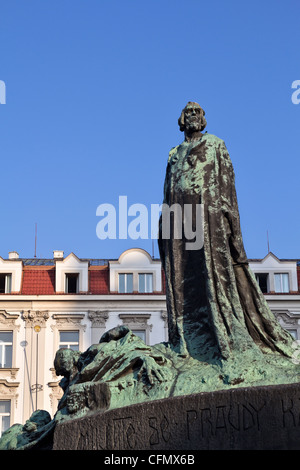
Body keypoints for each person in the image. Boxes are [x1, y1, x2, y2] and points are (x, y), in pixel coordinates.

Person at [158, 101, 294, 362]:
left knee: (213, 277)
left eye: (197, 112)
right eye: (188, 113)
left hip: (209, 219)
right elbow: (167, 189)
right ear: (181, 119)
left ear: (204, 119)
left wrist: (234, 232)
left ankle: (221, 338)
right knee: (183, 281)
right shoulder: (173, 153)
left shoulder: (216, 145)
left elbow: (228, 188)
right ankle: (187, 340)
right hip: (178, 222)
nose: (193, 116)